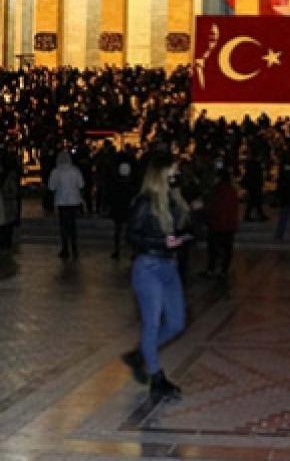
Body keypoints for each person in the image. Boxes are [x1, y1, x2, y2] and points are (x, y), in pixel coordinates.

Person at [120, 152, 191, 401]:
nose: (176, 176)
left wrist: (187, 234)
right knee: (151, 323)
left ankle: (141, 354)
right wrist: (161, 241)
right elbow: (132, 236)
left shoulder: (174, 200)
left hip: (169, 267)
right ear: (160, 175)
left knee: (176, 323)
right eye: (172, 172)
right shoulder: (144, 202)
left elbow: (184, 229)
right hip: (148, 267)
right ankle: (156, 378)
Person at [48, 150, 85, 260]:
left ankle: (65, 248)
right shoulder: (75, 170)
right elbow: (81, 184)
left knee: (63, 225)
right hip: (74, 201)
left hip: (61, 201)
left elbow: (51, 187)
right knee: (73, 225)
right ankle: (74, 246)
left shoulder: (56, 172)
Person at [204, 164, 239, 278]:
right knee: (226, 249)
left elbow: (217, 207)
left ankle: (213, 269)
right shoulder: (230, 190)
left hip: (219, 224)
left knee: (215, 248)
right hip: (227, 224)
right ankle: (223, 270)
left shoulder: (219, 190)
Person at [108, 160, 137, 259]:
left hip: (119, 209)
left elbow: (112, 197)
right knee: (131, 231)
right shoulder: (132, 184)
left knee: (118, 231)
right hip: (128, 209)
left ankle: (117, 250)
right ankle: (133, 251)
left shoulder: (116, 184)